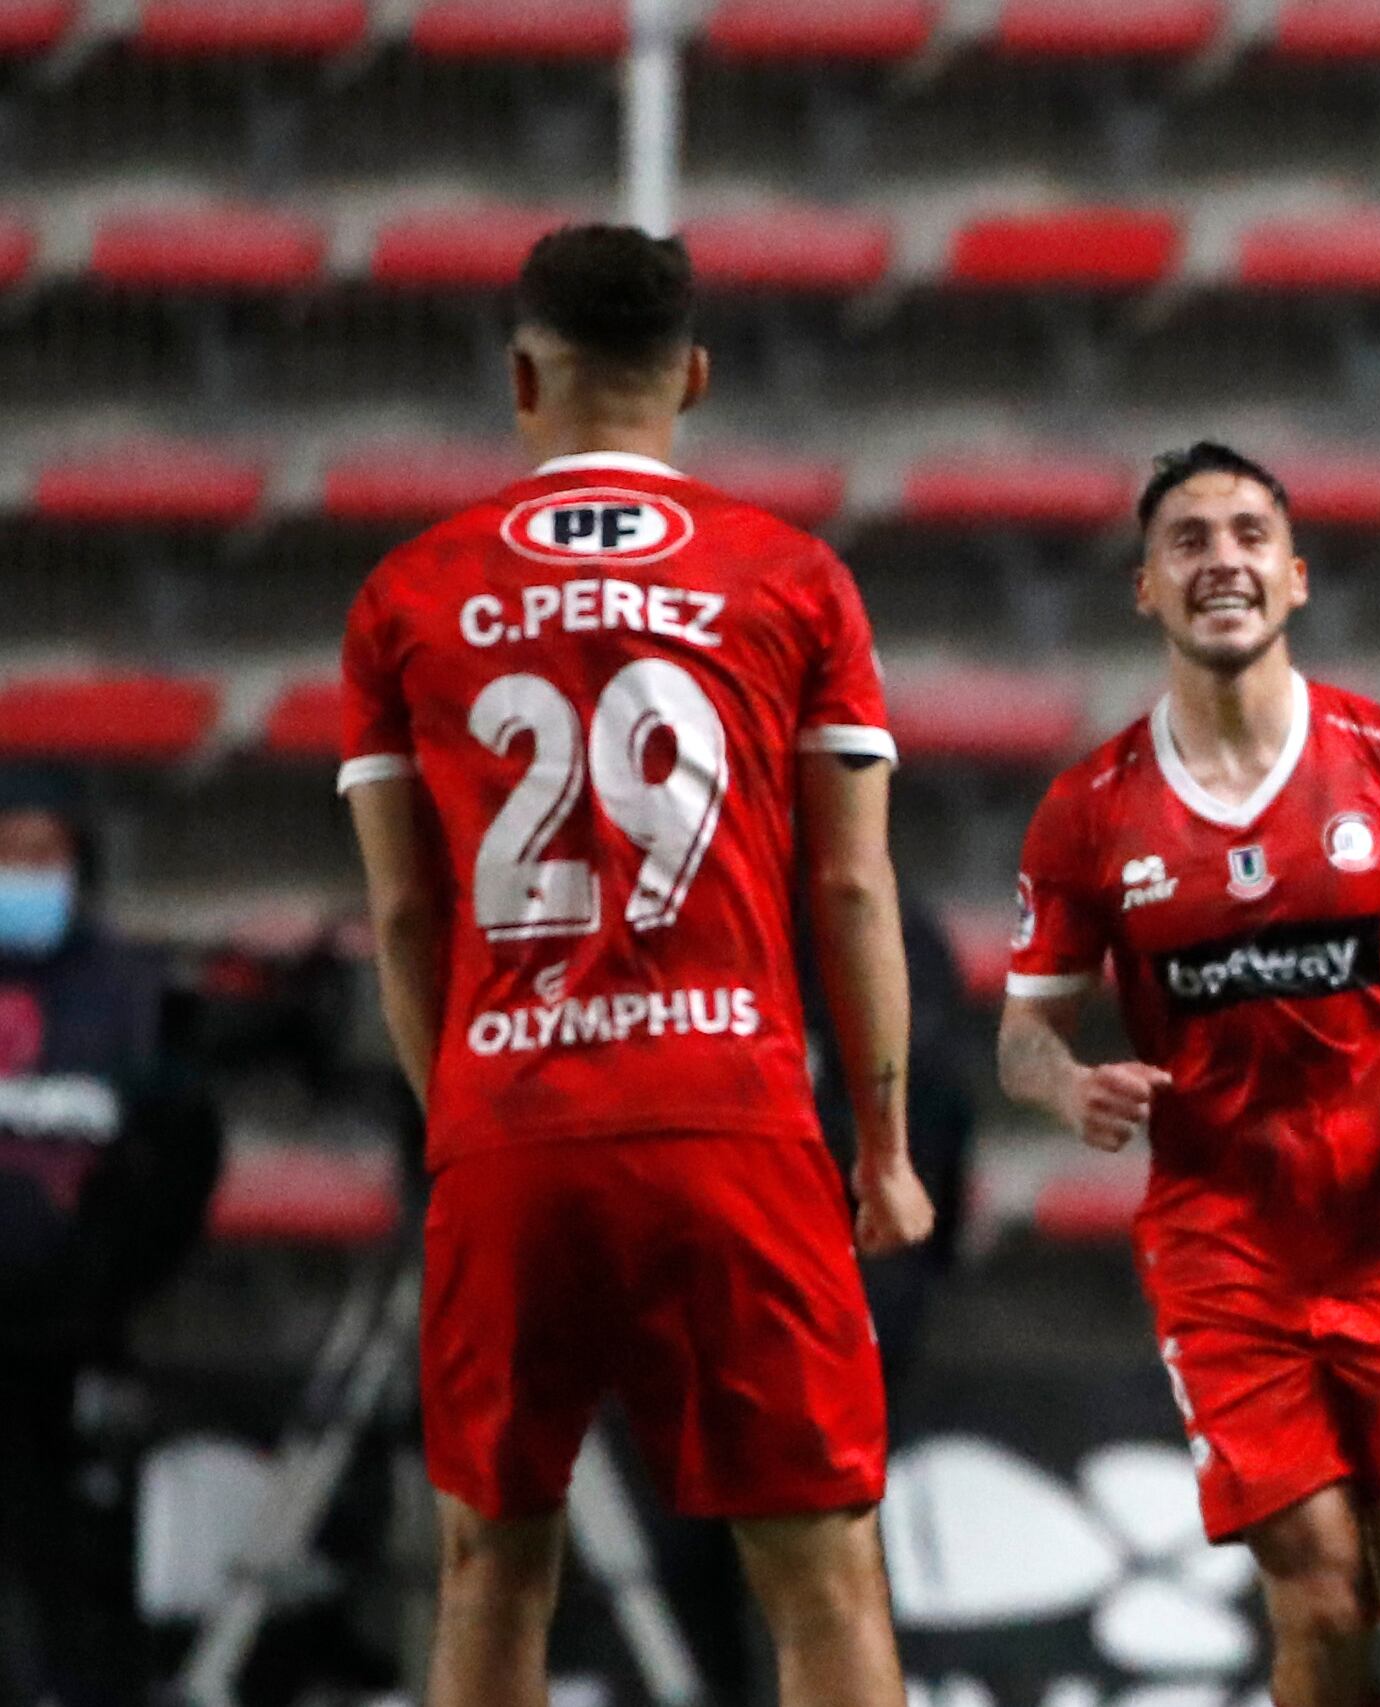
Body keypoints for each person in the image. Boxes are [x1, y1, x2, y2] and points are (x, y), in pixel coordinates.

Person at [337, 224, 934, 1707]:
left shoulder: (409, 594)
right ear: (697, 377)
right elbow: (852, 882)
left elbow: (405, 916)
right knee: (824, 1577)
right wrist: (883, 1147)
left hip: (512, 1124)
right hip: (732, 1121)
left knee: (491, 1568)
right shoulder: (792, 576)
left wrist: (457, 1118)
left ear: (522, 376)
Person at [995, 442, 1380, 1707]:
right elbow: (1024, 1035)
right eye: (1187, 541)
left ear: (1295, 577)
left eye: (1250, 535)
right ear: (1146, 587)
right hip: (1224, 1246)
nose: (1223, 561)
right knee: (1314, 1595)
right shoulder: (1090, 809)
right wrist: (1066, 1085)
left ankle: (1375, 1516)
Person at [0, 767, 225, 1707]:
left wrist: (102, 1284)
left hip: (75, 1329)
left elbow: (178, 1153)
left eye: (43, 852)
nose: (25, 872)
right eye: (8, 853)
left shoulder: (127, 989)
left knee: (77, 1573)